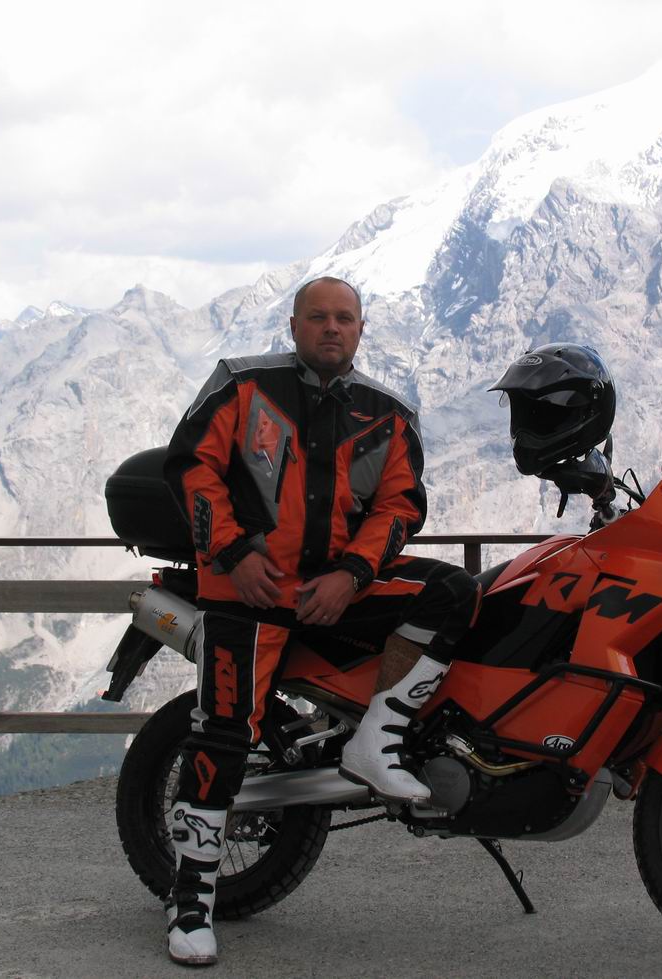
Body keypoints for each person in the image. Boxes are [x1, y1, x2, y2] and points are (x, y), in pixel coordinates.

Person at [161, 275, 480, 966]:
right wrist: (234, 554)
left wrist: (353, 574)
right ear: (294, 325)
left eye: (344, 318)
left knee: (455, 591)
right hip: (247, 592)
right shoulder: (241, 385)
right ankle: (189, 901)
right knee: (222, 735)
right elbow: (191, 468)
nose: (331, 328)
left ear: (361, 329)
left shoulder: (388, 414)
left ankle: (377, 740)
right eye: (317, 317)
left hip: (335, 590)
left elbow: (401, 506)